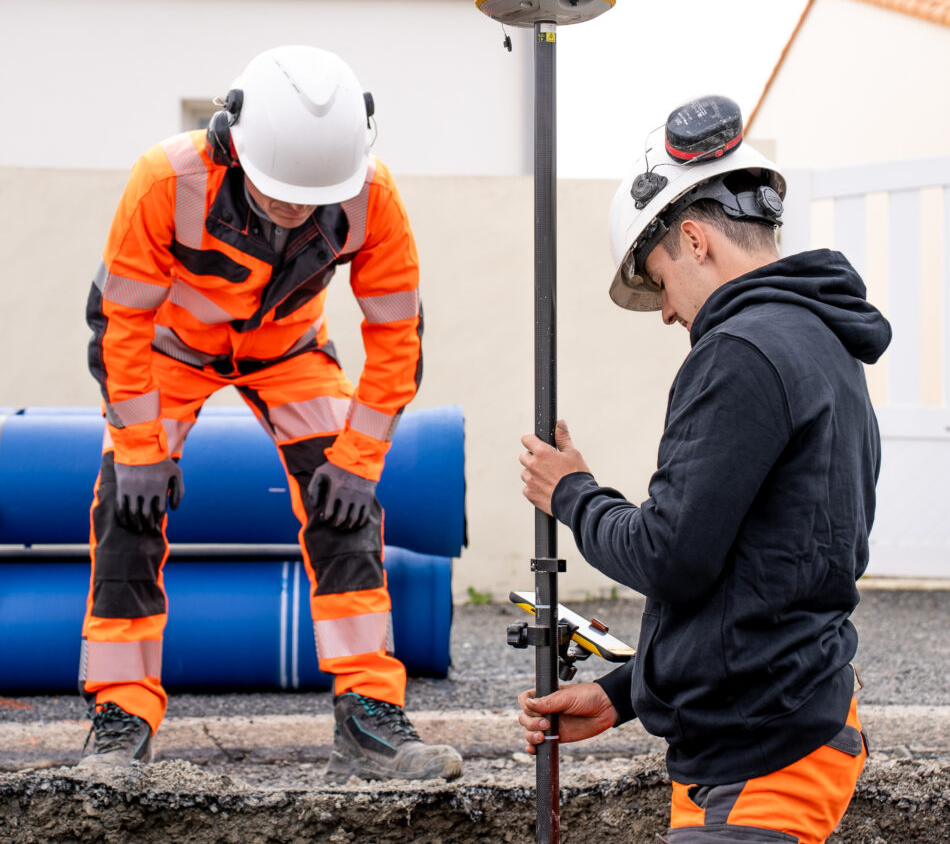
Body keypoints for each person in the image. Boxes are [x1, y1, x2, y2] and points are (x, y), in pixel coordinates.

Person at [78, 45, 462, 783]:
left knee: (347, 507)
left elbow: (397, 336)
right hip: (170, 349)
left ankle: (367, 713)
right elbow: (118, 320)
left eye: (310, 195)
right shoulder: (165, 179)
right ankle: (120, 713)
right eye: (277, 188)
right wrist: (137, 447)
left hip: (288, 351)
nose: (294, 206)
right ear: (232, 141)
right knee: (125, 507)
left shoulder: (370, 195)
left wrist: (359, 462)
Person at [518, 96, 890, 842]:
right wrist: (624, 695)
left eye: (657, 281)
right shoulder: (822, 344)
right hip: (771, 737)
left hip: (763, 761)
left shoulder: (742, 351)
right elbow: (761, 572)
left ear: (693, 240)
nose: (664, 312)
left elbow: (672, 554)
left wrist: (573, 495)